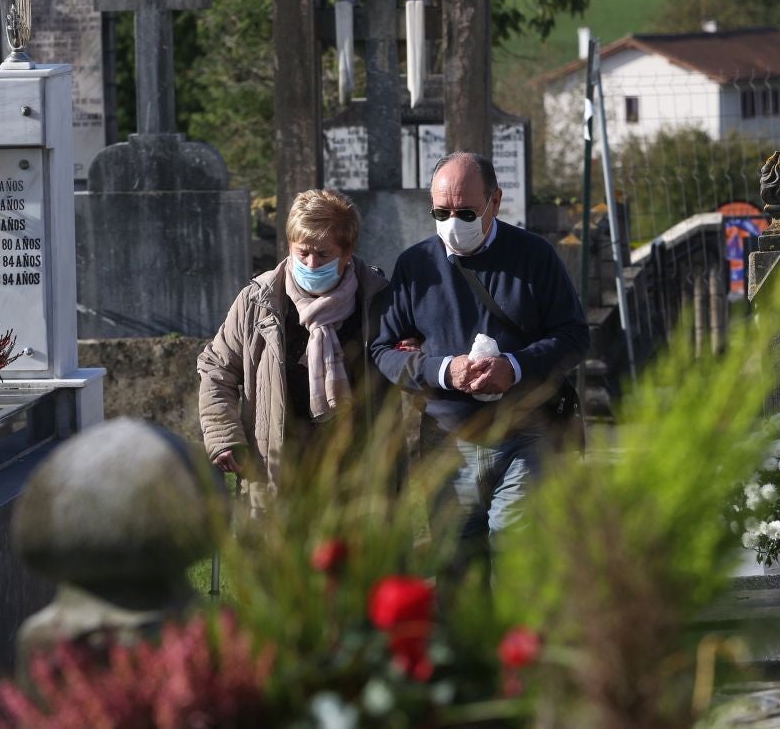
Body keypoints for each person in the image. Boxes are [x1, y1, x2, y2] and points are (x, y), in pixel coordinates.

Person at [371, 152, 589, 568]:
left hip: (527, 431)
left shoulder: (534, 257)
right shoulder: (415, 266)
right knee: (456, 561)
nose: (452, 222)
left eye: (466, 212)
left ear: (495, 201)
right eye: (440, 211)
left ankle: (520, 633)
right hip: (448, 439)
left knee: (515, 542)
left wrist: (516, 366)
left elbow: (575, 336)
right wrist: (443, 370)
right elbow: (383, 350)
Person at [198, 189, 388, 517]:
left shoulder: (378, 301)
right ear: (289, 246)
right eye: (303, 253)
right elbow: (217, 368)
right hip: (277, 473)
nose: (311, 264)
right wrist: (223, 434)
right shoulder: (258, 302)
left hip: (358, 474)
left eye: (323, 254)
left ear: (347, 252)